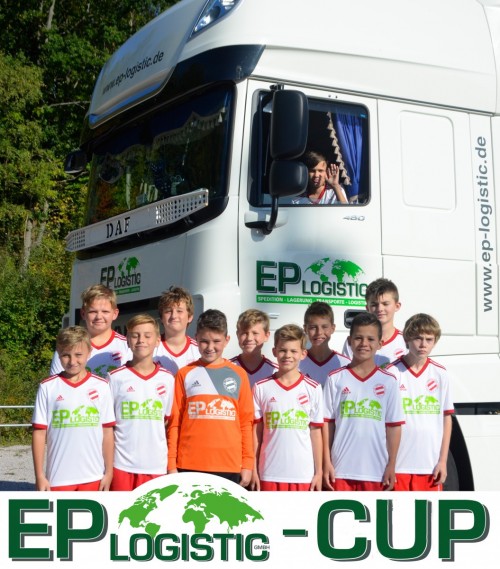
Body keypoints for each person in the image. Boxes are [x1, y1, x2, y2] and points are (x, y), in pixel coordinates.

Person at [167, 309, 254, 486]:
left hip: (229, 465)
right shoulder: (185, 374)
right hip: (189, 463)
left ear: (227, 340)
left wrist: (247, 463)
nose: (210, 347)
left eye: (216, 341)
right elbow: (175, 422)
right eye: (204, 341)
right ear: (196, 338)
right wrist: (171, 463)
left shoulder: (239, 375)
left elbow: (246, 423)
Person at [323, 313, 404, 491]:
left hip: (376, 471)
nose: (364, 344)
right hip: (340, 470)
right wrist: (326, 462)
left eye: (370, 339)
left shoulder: (389, 381)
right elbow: (327, 424)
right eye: (358, 338)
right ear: (349, 341)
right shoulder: (335, 378)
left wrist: (392, 464)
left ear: (380, 343)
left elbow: (393, 426)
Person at [32, 326, 115, 491]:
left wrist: (109, 471)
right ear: (58, 354)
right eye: (66, 355)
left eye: (78, 355)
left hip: (94, 476)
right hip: (59, 477)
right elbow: (39, 433)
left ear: (89, 353)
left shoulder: (102, 386)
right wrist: (39, 475)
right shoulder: (47, 387)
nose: (72, 361)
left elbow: (107, 432)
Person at [252, 324, 323, 491]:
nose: (287, 355)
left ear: (303, 354)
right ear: (274, 351)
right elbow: (256, 433)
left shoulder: (313, 388)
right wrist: (253, 469)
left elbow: (315, 432)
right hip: (269, 473)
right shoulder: (261, 387)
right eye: (283, 350)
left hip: (303, 475)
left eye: (293, 351)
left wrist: (319, 471)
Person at [387, 314, 454, 491]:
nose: (423, 344)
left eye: (429, 339)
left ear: (435, 342)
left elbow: (446, 418)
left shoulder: (441, 374)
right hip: (398, 466)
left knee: (427, 510)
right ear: (407, 339)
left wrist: (443, 461)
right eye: (418, 338)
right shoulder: (391, 373)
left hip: (430, 466)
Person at [108, 314, 175, 491]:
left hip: (156, 466)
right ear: (128, 340)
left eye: (147, 335)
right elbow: (108, 427)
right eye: (135, 335)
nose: (141, 341)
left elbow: (167, 422)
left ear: (157, 340)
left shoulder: (168, 379)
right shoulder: (115, 378)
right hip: (121, 465)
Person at [50, 284, 130, 378]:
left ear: (115, 314)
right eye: (93, 312)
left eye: (105, 312)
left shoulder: (128, 347)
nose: (99, 317)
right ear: (83, 314)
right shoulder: (67, 347)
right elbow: (57, 384)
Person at [343, 277, 407, 367]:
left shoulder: (406, 341)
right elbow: (346, 373)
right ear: (367, 308)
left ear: (397, 306)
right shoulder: (355, 341)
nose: (380, 309)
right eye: (374, 305)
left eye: (385, 304)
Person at [300, 301, 350, 387]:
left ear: (333, 328)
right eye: (313, 327)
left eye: (324, 327)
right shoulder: (297, 362)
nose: (319, 332)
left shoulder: (345, 363)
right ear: (305, 329)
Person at [154, 286, 200, 375]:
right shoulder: (150, 348)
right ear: (161, 318)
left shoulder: (199, 351)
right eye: (168, 311)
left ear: (190, 317)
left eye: (179, 311)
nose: (174, 316)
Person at [231, 308, 277, 387]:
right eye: (244, 333)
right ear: (237, 335)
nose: (249, 338)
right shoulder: (227, 368)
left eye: (255, 333)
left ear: (266, 336)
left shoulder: (275, 371)